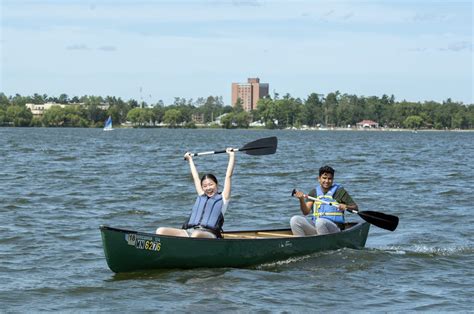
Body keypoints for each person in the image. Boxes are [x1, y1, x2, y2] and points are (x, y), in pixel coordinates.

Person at [156, 148, 235, 238]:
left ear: (216, 185)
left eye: (211, 184)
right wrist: (190, 160)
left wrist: (231, 156)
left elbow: (228, 176)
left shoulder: (224, 197)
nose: (208, 188)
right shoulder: (202, 195)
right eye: (205, 186)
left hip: (209, 234)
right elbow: (195, 177)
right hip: (190, 231)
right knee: (160, 231)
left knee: (196, 234)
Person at [290, 165, 358, 236]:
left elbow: (355, 208)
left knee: (320, 221)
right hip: (317, 226)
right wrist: (301, 200)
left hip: (335, 229)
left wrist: (346, 206)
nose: (327, 181)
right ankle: (302, 244)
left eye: (330, 179)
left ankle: (323, 244)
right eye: (324, 178)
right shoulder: (314, 192)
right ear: (319, 179)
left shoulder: (340, 192)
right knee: (295, 220)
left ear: (333, 179)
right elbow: (306, 212)